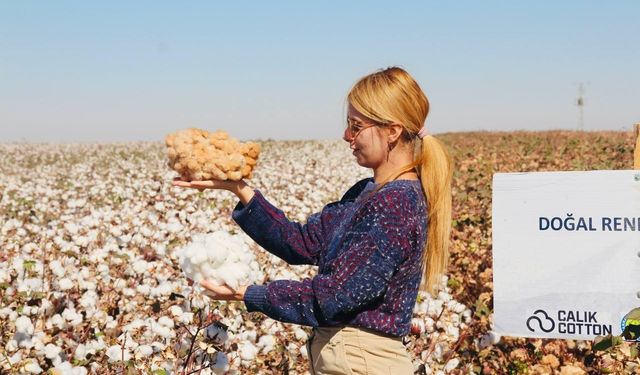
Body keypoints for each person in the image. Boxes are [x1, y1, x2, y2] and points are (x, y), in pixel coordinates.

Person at [172, 66, 453, 374]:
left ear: (392, 131)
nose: (347, 136)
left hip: (362, 361)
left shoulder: (395, 203)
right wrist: (238, 188)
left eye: (356, 126)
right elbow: (301, 244)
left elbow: (337, 296)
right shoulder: (368, 192)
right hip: (351, 357)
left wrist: (248, 294)